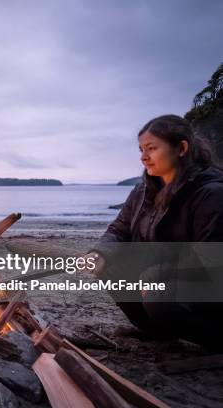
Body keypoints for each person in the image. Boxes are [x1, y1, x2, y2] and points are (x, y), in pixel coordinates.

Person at [88, 114, 223, 350]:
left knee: (157, 295)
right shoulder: (143, 192)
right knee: (108, 266)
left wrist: (159, 273)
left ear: (181, 148)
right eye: (141, 149)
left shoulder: (211, 193)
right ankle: (156, 331)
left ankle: (213, 338)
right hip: (162, 275)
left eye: (151, 148)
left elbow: (212, 259)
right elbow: (119, 230)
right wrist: (99, 253)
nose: (143, 157)